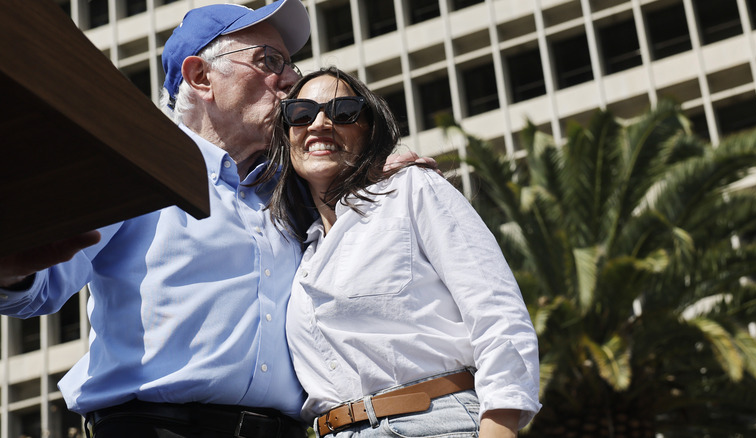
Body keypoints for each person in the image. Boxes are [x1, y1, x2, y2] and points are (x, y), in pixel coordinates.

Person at [0, 2, 429, 437]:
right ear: (201, 77)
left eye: (291, 65)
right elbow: (39, 286)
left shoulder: (299, 192)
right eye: (269, 60)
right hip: (154, 427)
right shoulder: (137, 169)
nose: (291, 79)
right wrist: (11, 270)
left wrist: (375, 177)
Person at [261, 66, 541, 438]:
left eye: (343, 111)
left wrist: (499, 429)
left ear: (369, 131)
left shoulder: (412, 189)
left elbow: (497, 314)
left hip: (435, 425)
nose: (320, 123)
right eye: (300, 113)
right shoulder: (300, 250)